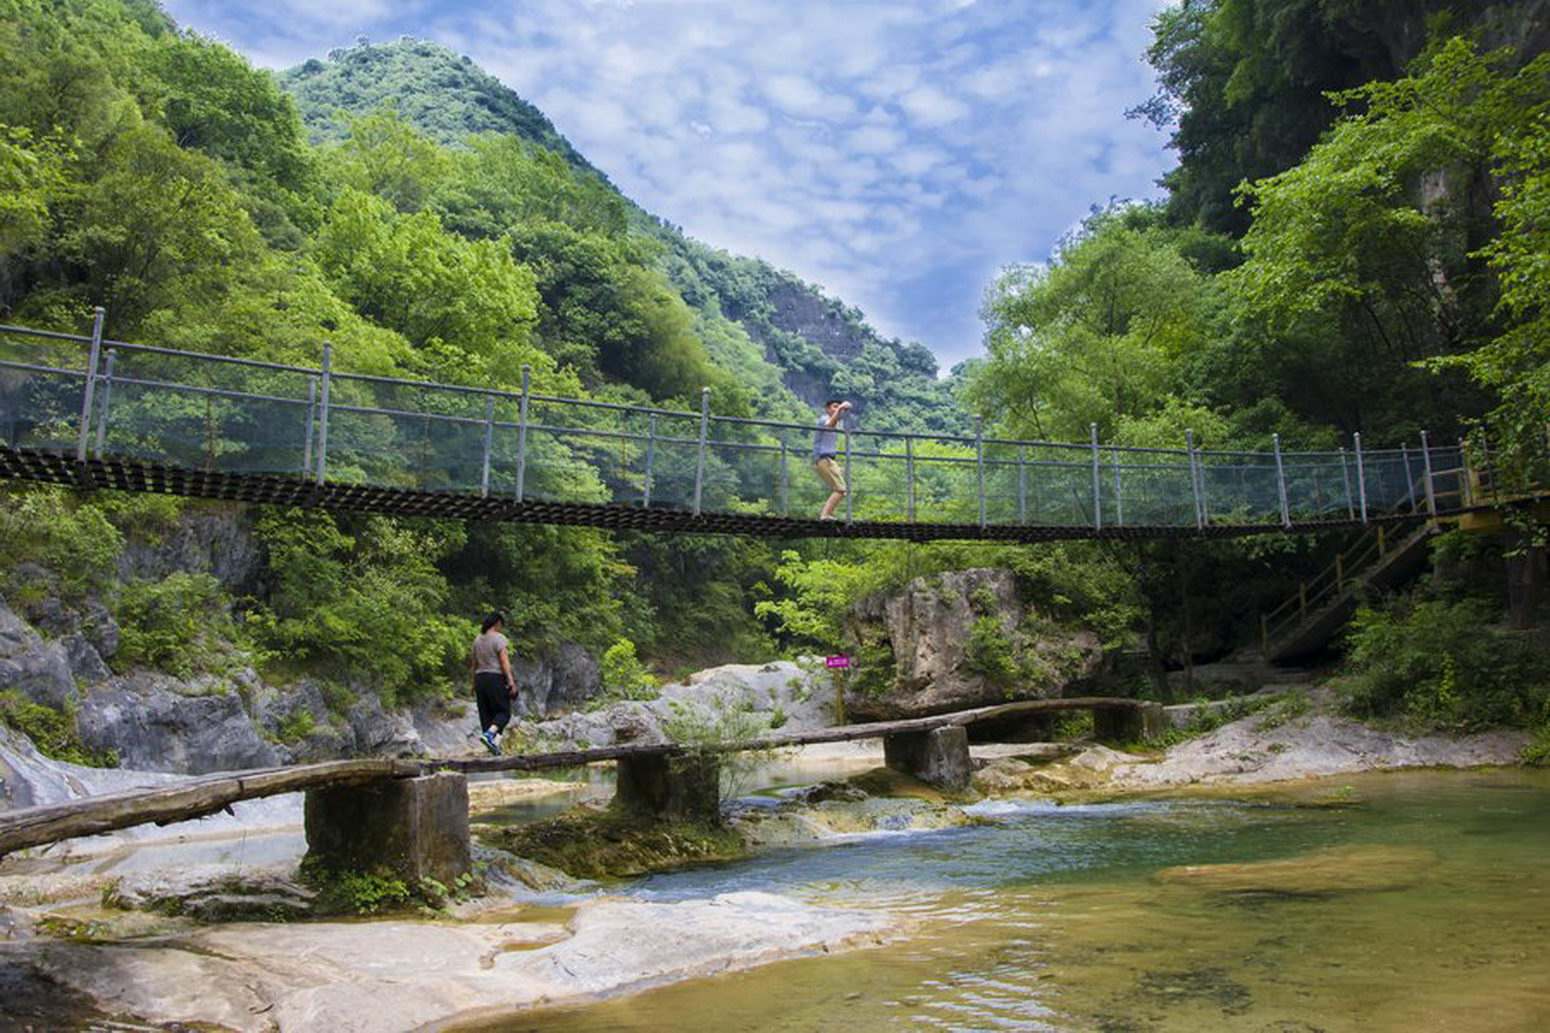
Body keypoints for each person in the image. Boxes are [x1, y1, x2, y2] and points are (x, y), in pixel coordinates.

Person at [469, 611, 518, 755]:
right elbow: (504, 661)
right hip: (494, 678)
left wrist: (473, 683)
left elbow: (474, 664)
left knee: (486, 714)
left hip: (480, 679)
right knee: (503, 712)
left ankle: (493, 746)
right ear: (498, 623)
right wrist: (511, 681)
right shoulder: (499, 638)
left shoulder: (477, 640)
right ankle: (490, 736)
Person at [813, 399, 852, 520]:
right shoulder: (824, 419)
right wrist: (841, 408)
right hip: (823, 458)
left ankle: (827, 514)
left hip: (829, 459)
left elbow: (835, 422)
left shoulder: (836, 422)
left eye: (838, 407)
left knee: (842, 490)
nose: (837, 409)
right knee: (840, 489)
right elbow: (830, 425)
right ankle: (825, 515)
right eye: (834, 406)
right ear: (827, 409)